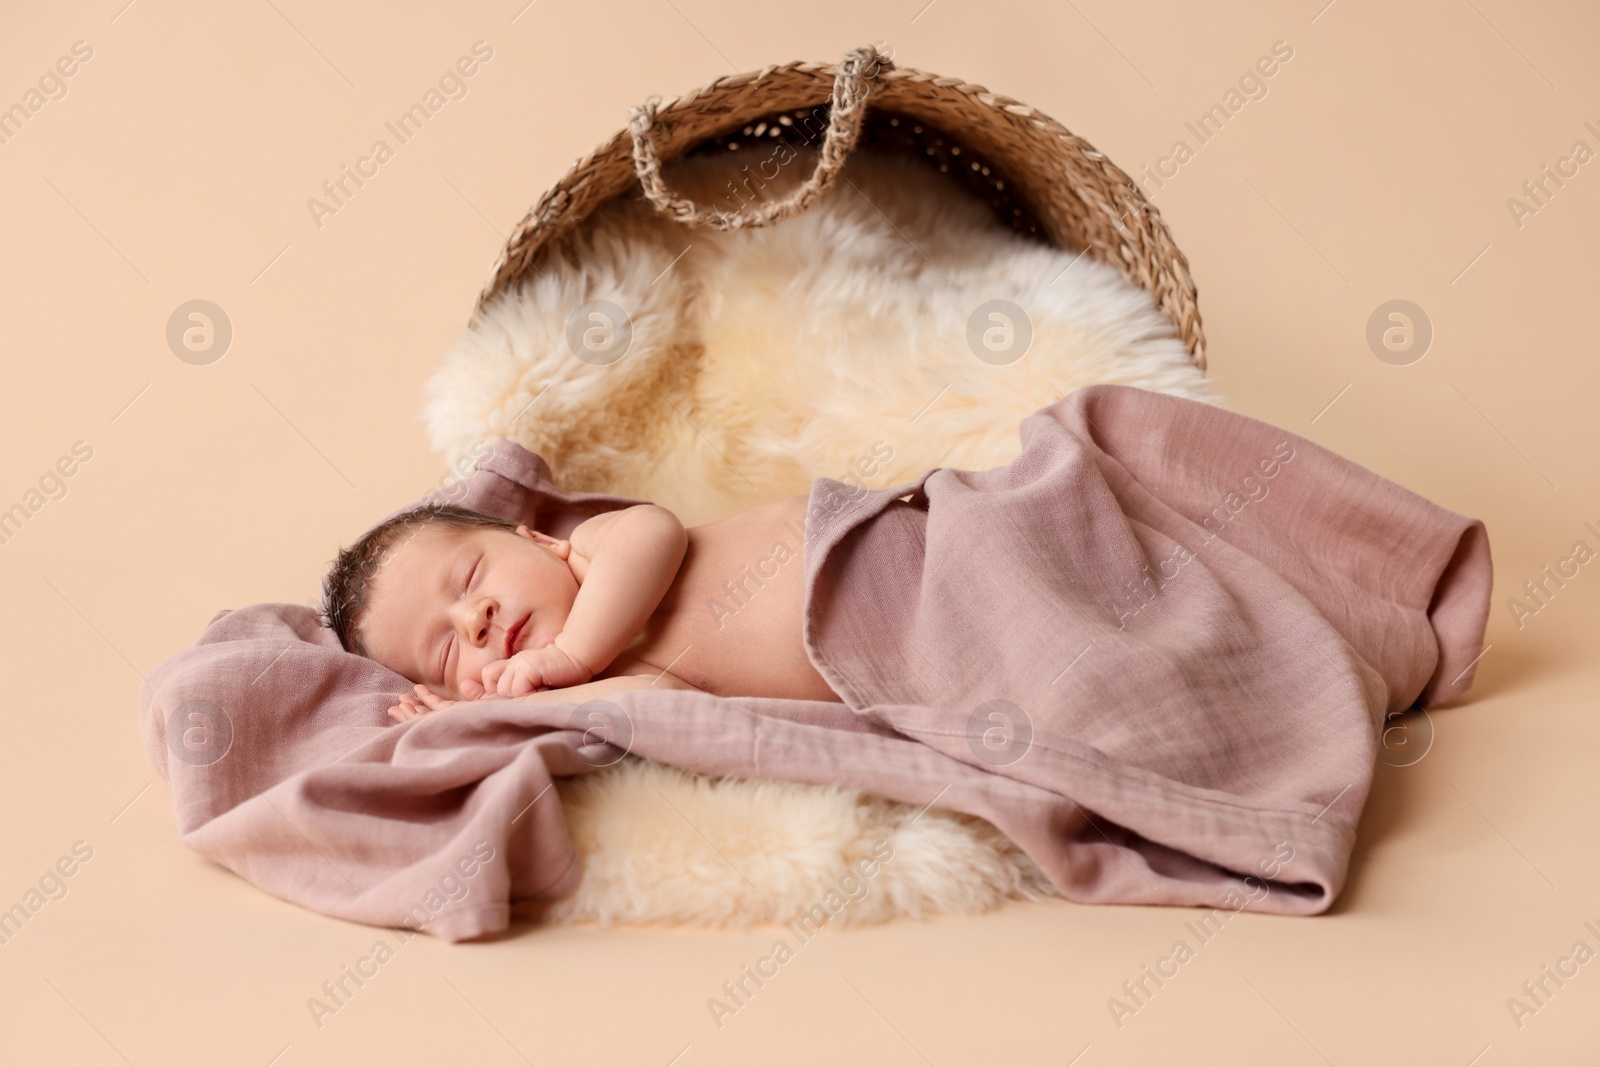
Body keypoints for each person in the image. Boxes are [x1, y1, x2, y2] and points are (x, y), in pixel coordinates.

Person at [320, 494, 845, 722]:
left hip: (876, 561)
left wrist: (573, 653)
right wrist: (507, 713)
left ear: (542, 543)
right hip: (894, 676)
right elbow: (662, 705)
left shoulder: (590, 550)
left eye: (469, 579)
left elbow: (654, 529)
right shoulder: (595, 687)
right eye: (445, 650)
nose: (472, 619)